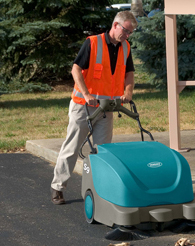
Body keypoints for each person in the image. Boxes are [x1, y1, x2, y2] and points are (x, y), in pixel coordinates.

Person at [50, 11, 138, 205]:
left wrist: (128, 92)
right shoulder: (93, 43)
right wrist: (87, 94)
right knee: (72, 147)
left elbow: (129, 73)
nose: (127, 35)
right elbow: (76, 69)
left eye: (130, 33)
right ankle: (58, 187)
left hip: (107, 108)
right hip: (84, 106)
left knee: (103, 151)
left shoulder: (126, 47)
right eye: (126, 31)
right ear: (115, 25)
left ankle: (100, 190)